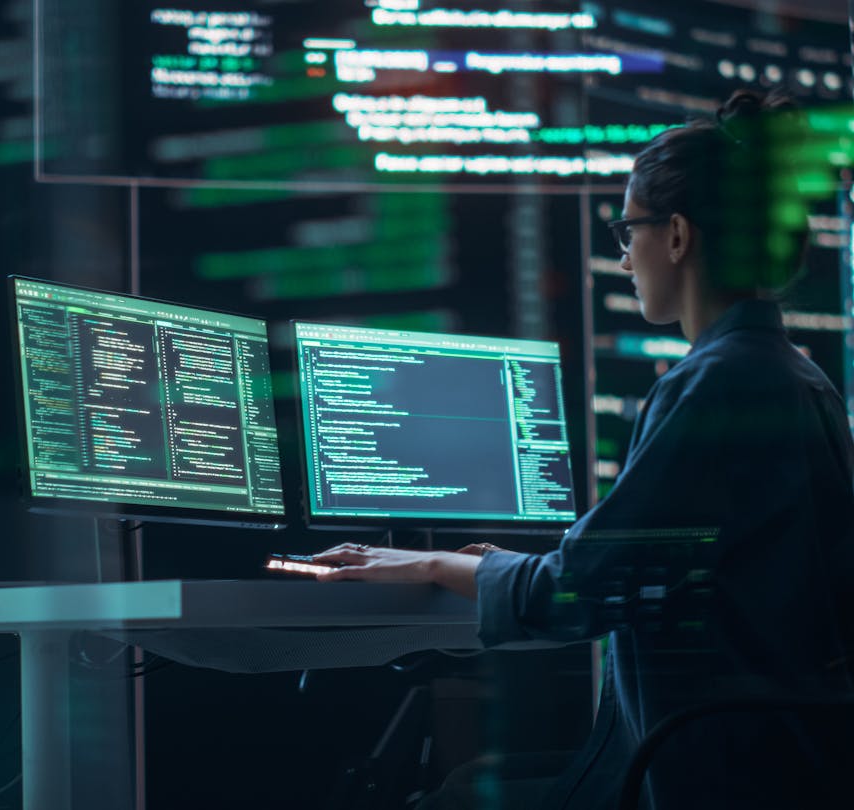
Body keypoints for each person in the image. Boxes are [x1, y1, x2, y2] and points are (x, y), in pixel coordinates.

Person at [314, 89, 854, 809]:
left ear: (677, 235)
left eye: (627, 231)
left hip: (713, 770)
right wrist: (497, 566)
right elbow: (648, 568)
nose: (626, 258)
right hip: (785, 763)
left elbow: (581, 590)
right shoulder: (797, 376)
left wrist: (432, 562)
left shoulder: (714, 384)